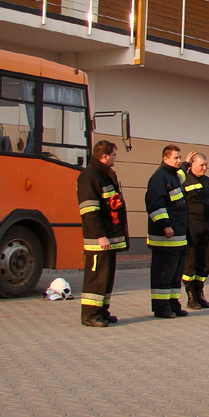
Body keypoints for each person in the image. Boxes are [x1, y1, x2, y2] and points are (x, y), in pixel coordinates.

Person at [77, 140, 129, 327]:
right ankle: (90, 315)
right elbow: (89, 211)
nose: (115, 158)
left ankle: (102, 311)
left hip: (109, 237)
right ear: (105, 156)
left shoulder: (104, 174)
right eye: (114, 154)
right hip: (98, 239)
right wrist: (100, 235)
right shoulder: (89, 176)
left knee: (106, 278)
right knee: (96, 279)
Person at [145, 145, 190, 319]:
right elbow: (155, 204)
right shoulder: (159, 177)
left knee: (175, 274)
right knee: (163, 274)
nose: (179, 161)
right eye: (176, 158)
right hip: (165, 238)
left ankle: (173, 304)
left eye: (180, 158)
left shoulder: (174, 176)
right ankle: (161, 307)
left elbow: (181, 175)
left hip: (178, 237)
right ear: (165, 159)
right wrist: (165, 225)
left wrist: (186, 164)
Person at [180, 152, 209, 310]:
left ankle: (199, 292)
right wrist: (183, 165)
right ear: (192, 165)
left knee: (206, 262)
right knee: (191, 262)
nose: (205, 168)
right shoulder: (183, 179)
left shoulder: (207, 181)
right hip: (192, 225)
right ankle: (191, 296)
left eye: (206, 165)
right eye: (202, 165)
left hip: (208, 226)